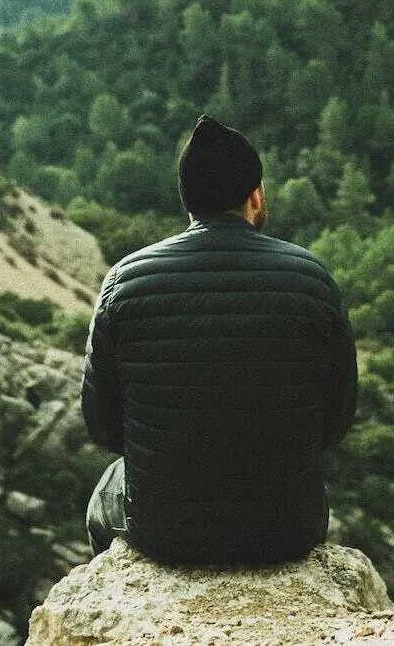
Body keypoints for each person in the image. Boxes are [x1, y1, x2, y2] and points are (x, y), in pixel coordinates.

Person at [80, 114, 359, 565]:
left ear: (188, 203)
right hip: (288, 529)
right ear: (256, 196)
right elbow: (338, 418)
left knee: (106, 491)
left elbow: (104, 427)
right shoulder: (311, 278)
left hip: (166, 533)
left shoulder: (124, 280)